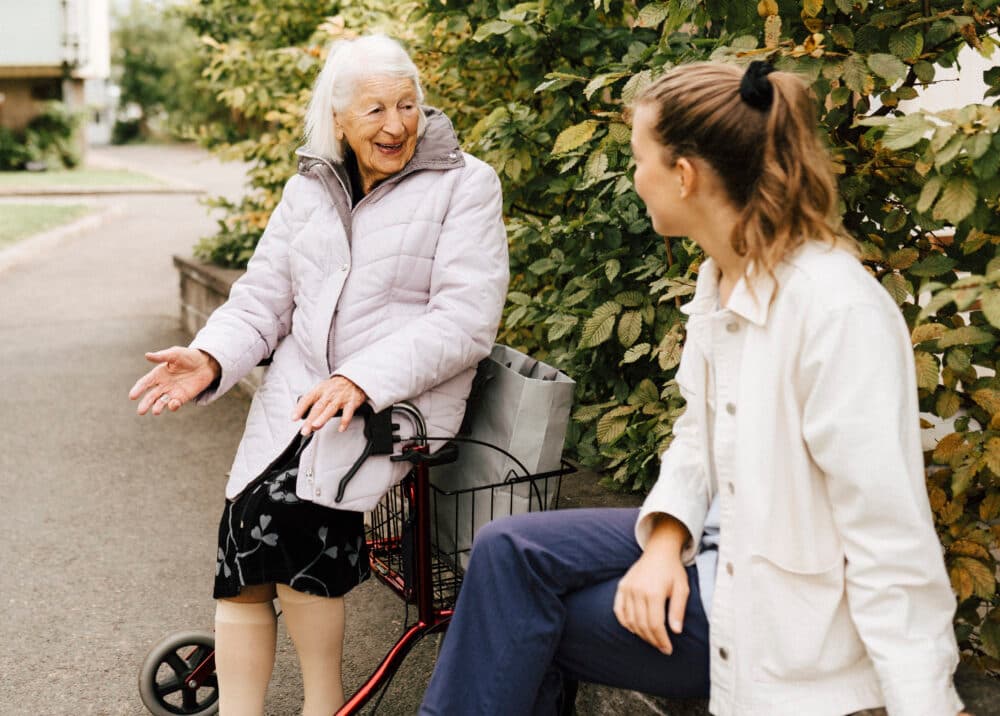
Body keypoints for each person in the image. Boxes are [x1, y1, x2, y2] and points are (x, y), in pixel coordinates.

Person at [419, 61, 967, 716]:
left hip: (777, 608)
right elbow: (698, 436)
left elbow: (889, 537)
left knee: (523, 621)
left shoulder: (834, 310)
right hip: (720, 535)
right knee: (506, 551)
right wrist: (664, 540)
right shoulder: (722, 278)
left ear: (684, 175)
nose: (634, 177)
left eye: (638, 159)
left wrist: (927, 703)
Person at [129, 34, 508, 716]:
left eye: (407, 105)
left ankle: (324, 705)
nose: (396, 125)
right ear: (338, 119)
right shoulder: (309, 189)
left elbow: (467, 319)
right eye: (374, 110)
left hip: (400, 403)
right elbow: (263, 299)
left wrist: (361, 378)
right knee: (242, 524)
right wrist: (211, 357)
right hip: (306, 397)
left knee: (290, 519)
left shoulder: (467, 184)